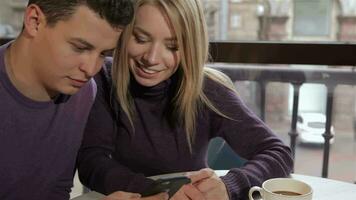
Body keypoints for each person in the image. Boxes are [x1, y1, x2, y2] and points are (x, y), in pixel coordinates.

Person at [77, 0, 294, 199]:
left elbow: (279, 153)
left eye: (172, 46)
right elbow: (92, 162)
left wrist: (229, 186)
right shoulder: (102, 79)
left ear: (191, 48)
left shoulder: (208, 91)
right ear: (124, 34)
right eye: (141, 38)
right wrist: (157, 192)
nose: (151, 58)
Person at [0, 0, 134, 199]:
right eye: (80, 47)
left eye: (103, 53)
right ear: (34, 21)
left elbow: (57, 189)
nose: (91, 69)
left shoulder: (84, 92)